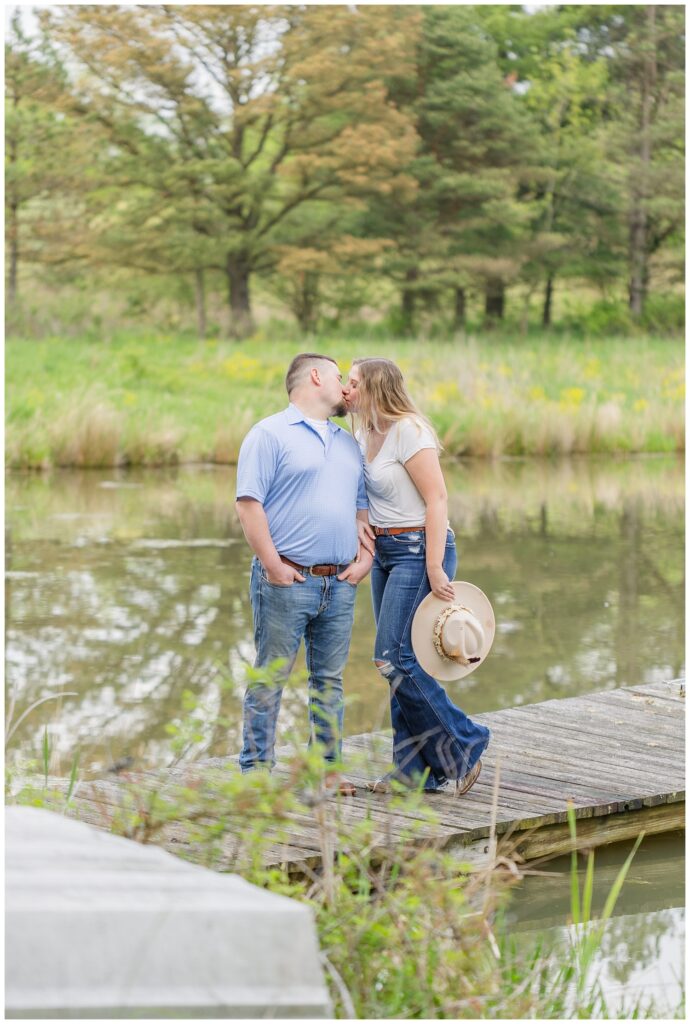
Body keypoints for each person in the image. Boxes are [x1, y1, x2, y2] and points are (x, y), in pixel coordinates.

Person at [342, 357, 490, 795]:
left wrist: (432, 563)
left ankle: (466, 743)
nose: (346, 390)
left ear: (374, 388)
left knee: (395, 658)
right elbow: (363, 488)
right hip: (387, 551)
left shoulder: (410, 431)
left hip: (419, 550)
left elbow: (437, 498)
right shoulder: (362, 430)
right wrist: (361, 522)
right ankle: (413, 773)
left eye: (353, 383)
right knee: (397, 662)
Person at [235, 352, 373, 795]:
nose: (346, 387)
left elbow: (361, 512)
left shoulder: (349, 442)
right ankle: (256, 775)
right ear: (316, 376)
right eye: (339, 377)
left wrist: (364, 561)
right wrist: (273, 566)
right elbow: (248, 504)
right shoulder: (269, 434)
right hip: (286, 580)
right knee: (270, 678)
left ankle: (326, 774)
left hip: (341, 583)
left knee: (329, 682)